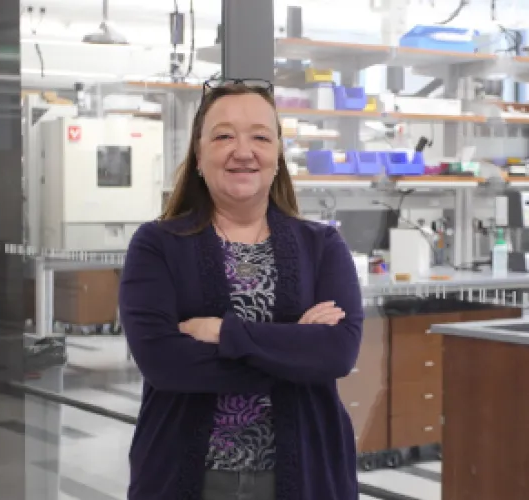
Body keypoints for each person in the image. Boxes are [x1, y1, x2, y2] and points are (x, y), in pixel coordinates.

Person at [119, 79, 363, 500]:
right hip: (185, 477)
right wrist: (295, 349)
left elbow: (337, 353)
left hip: (306, 476)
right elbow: (164, 363)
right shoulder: (156, 245)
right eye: (224, 136)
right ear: (199, 154)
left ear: (278, 154)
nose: (243, 150)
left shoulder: (322, 245)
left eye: (260, 137)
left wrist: (223, 333)